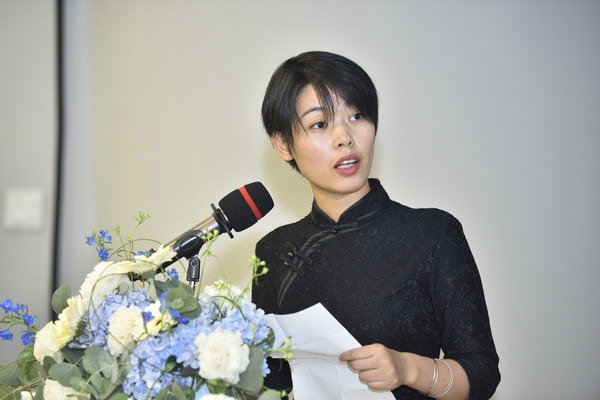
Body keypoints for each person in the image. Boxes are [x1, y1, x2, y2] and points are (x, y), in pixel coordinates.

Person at [252, 51, 500, 400]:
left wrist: (408, 367)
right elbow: (271, 381)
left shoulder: (433, 232)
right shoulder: (273, 250)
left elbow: (483, 374)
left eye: (356, 116)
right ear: (283, 144)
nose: (345, 137)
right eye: (320, 124)